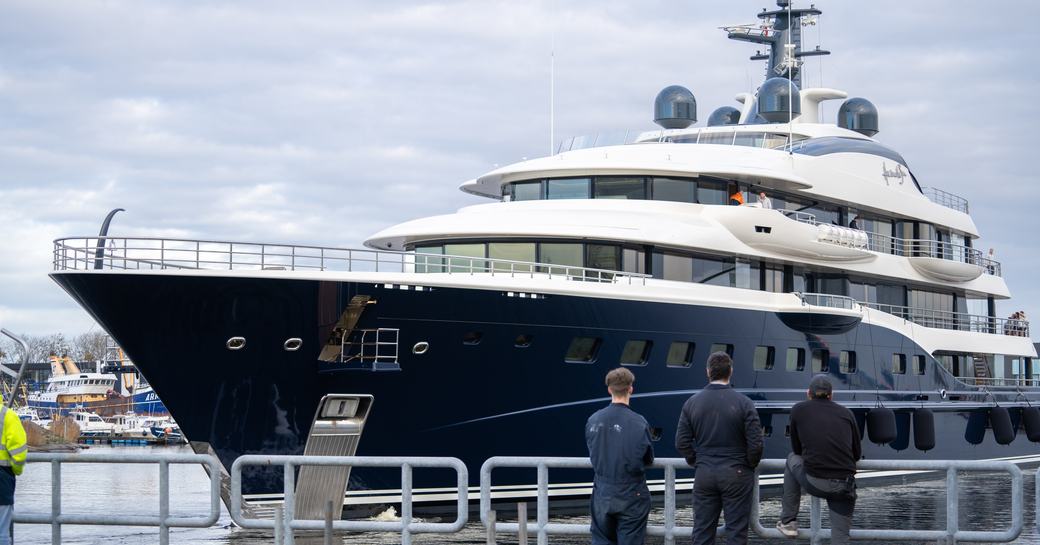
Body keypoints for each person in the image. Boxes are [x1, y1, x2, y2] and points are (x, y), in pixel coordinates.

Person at [676, 352, 763, 545]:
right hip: (737, 472)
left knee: (702, 531)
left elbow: (682, 442)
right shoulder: (744, 403)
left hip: (705, 472)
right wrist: (748, 464)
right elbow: (756, 444)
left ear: (708, 372)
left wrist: (697, 461)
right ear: (730, 372)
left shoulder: (692, 402)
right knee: (736, 532)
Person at [776, 375, 861, 544]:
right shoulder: (847, 413)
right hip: (845, 486)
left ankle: (788, 521)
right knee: (841, 537)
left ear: (809, 393)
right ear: (831, 395)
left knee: (791, 458)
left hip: (815, 481)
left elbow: (797, 449)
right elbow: (856, 454)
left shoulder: (798, 410)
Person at [586, 368, 654, 545]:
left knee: (601, 540)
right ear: (630, 389)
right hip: (632, 494)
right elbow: (647, 459)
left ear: (609, 390)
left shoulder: (593, 420)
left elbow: (593, 452)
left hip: (602, 492)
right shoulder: (639, 422)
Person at [0, 403, 27, 545]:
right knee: (1, 534)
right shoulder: (7, 415)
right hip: (2, 480)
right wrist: (16, 470)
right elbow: (19, 453)